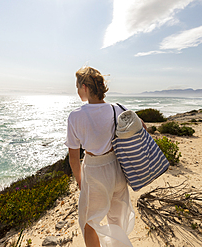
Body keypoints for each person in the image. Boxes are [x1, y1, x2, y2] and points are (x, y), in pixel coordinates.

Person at [64, 66, 136, 247]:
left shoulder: (76, 116)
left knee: (89, 222)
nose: (77, 89)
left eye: (78, 85)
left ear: (85, 87)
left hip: (95, 172)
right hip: (117, 170)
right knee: (116, 220)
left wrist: (80, 180)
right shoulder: (117, 109)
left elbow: (74, 158)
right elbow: (140, 125)